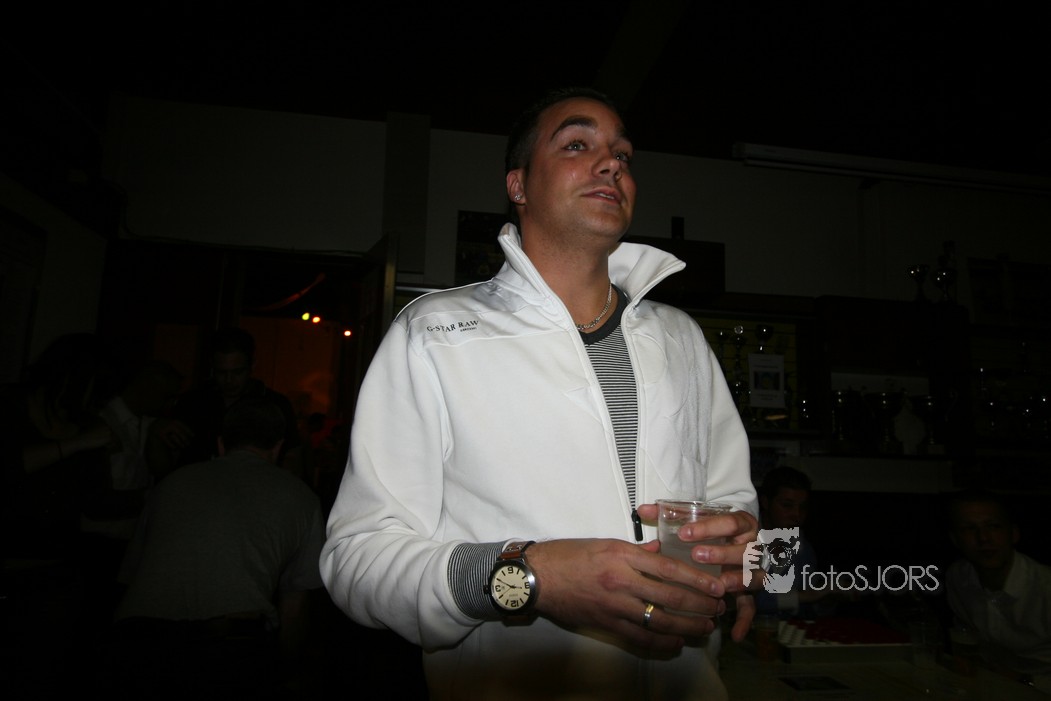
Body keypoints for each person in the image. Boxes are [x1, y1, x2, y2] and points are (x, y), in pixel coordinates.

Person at [321, 87, 759, 700]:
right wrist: (529, 576)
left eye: (623, 155)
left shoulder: (681, 337)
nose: (611, 164)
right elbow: (356, 560)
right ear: (519, 185)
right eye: (577, 145)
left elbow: (738, 509)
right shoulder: (434, 334)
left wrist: (753, 563)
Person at [100, 397, 326, 698]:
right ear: (278, 447)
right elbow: (294, 606)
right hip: (228, 647)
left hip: (137, 640)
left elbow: (129, 577)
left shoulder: (170, 484)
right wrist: (289, 671)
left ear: (220, 444)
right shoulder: (302, 498)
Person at [944, 489, 1051, 693]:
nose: (983, 538)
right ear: (955, 539)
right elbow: (965, 636)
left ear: (1014, 534)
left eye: (993, 526)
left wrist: (1025, 680)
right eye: (969, 529)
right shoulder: (959, 577)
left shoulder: (1044, 589)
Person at [164, 326, 304, 478]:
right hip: (198, 488)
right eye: (221, 372)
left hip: (253, 489)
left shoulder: (275, 404)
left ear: (252, 365)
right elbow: (169, 461)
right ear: (212, 366)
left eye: (237, 372)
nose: (229, 380)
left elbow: (292, 458)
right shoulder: (192, 402)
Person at [751, 466, 829, 619]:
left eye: (803, 507)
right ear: (765, 502)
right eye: (787, 505)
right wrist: (807, 596)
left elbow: (810, 607)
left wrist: (828, 597)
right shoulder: (743, 539)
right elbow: (745, 600)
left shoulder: (804, 550)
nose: (796, 514)